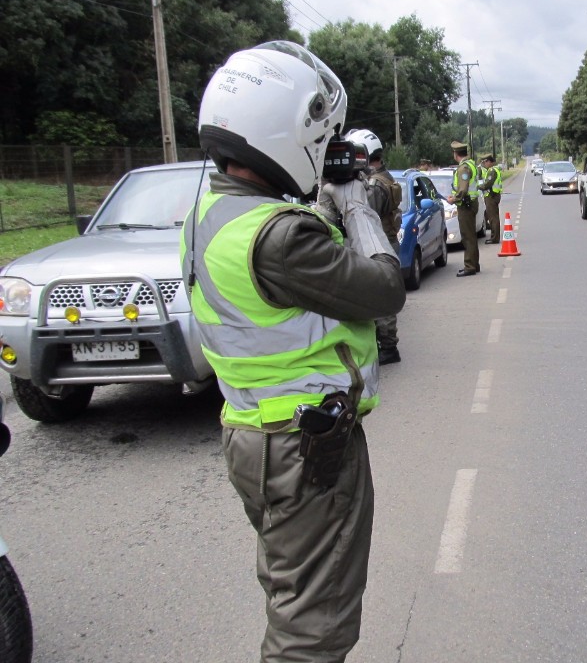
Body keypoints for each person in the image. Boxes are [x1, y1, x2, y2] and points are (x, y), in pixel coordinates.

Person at [181, 40, 406, 663]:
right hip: (307, 448)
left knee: (293, 590)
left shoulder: (214, 213)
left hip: (253, 433)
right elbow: (385, 287)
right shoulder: (282, 237)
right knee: (313, 627)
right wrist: (355, 196)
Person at [347, 129, 403, 365]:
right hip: (386, 241)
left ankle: (388, 347)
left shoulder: (375, 185)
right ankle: (383, 343)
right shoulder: (385, 178)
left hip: (379, 244)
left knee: (381, 296)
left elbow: (364, 213)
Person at [446, 140, 480, 276]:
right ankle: (474, 264)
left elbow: (463, 189)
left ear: (456, 153)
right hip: (471, 203)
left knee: (467, 237)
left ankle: (469, 266)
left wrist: (453, 199)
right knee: (471, 236)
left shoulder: (463, 168)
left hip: (466, 206)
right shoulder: (471, 164)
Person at [478, 154, 503, 244]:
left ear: (489, 161)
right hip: (493, 195)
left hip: (491, 196)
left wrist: (478, 187)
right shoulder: (493, 169)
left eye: (485, 162)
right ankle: (494, 237)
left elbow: (487, 184)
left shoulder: (492, 171)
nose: (484, 164)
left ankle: (494, 238)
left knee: (493, 218)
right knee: (493, 217)